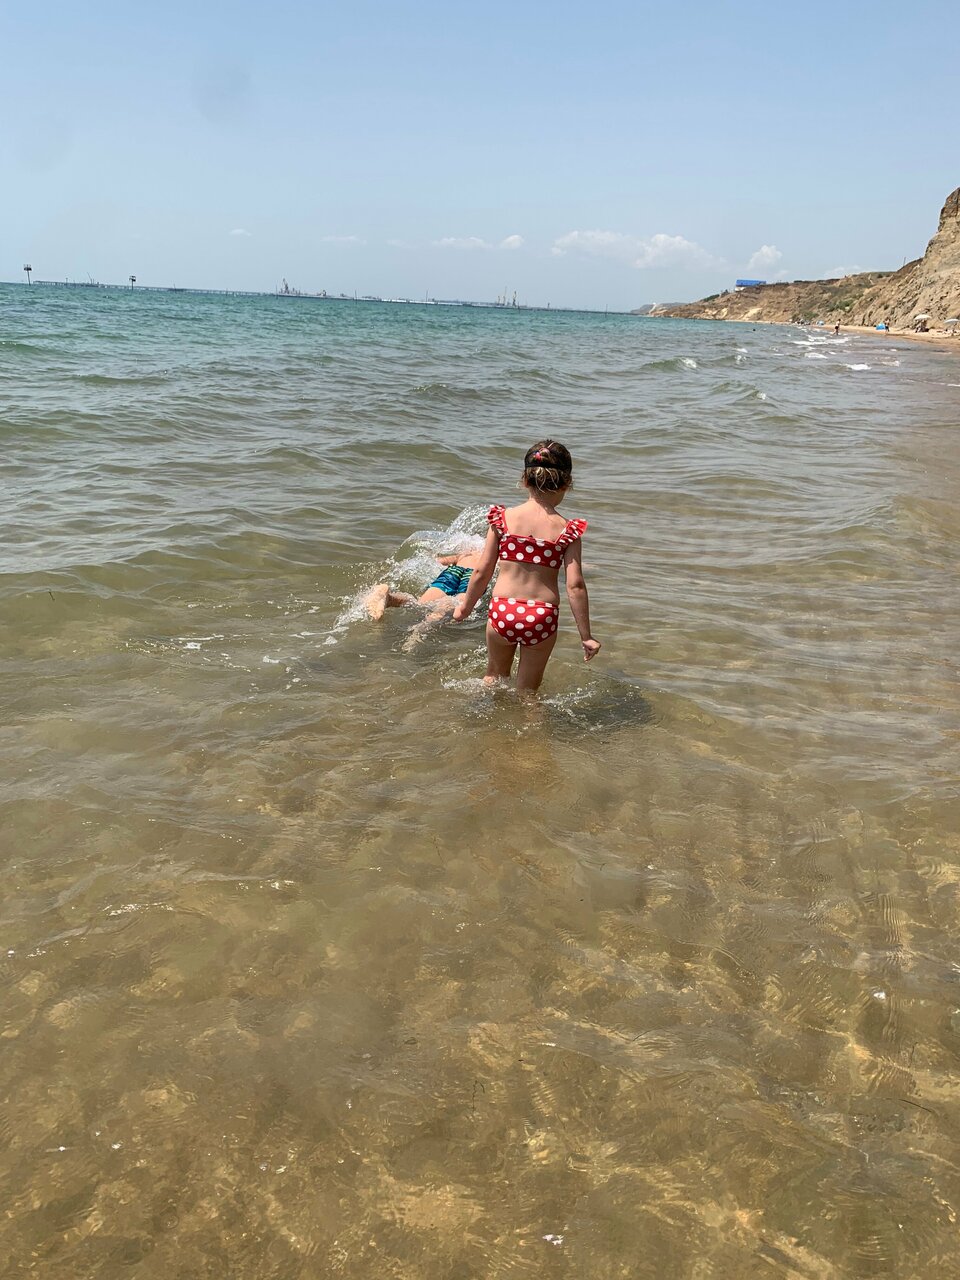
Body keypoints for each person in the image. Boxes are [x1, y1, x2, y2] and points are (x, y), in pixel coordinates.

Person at [452, 439, 601, 693]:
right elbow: (575, 585)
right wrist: (586, 636)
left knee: (493, 678)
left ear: (524, 480)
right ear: (567, 484)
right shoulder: (568, 530)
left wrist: (465, 607)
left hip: (503, 610)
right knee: (528, 692)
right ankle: (532, 719)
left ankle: (481, 717)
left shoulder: (502, 520)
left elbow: (482, 570)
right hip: (541, 616)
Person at [365, 544, 485, 646]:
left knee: (419, 604)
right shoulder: (489, 553)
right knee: (453, 604)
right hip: (474, 575)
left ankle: (390, 598)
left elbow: (440, 561)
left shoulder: (465, 553)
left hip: (453, 572)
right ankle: (420, 630)